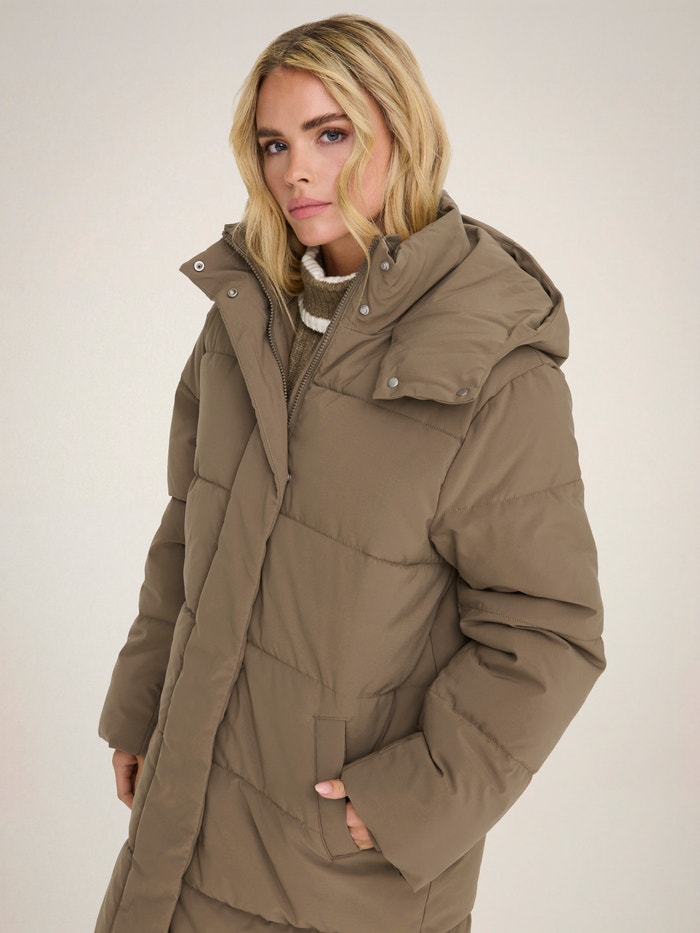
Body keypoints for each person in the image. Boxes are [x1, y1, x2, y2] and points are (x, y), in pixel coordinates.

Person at [96, 14, 605, 933]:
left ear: (402, 131)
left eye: (330, 134)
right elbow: (188, 525)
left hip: (340, 866)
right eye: (274, 144)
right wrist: (142, 706)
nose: (296, 170)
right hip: (187, 816)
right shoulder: (244, 321)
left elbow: (547, 628)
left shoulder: (490, 363)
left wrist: (414, 797)